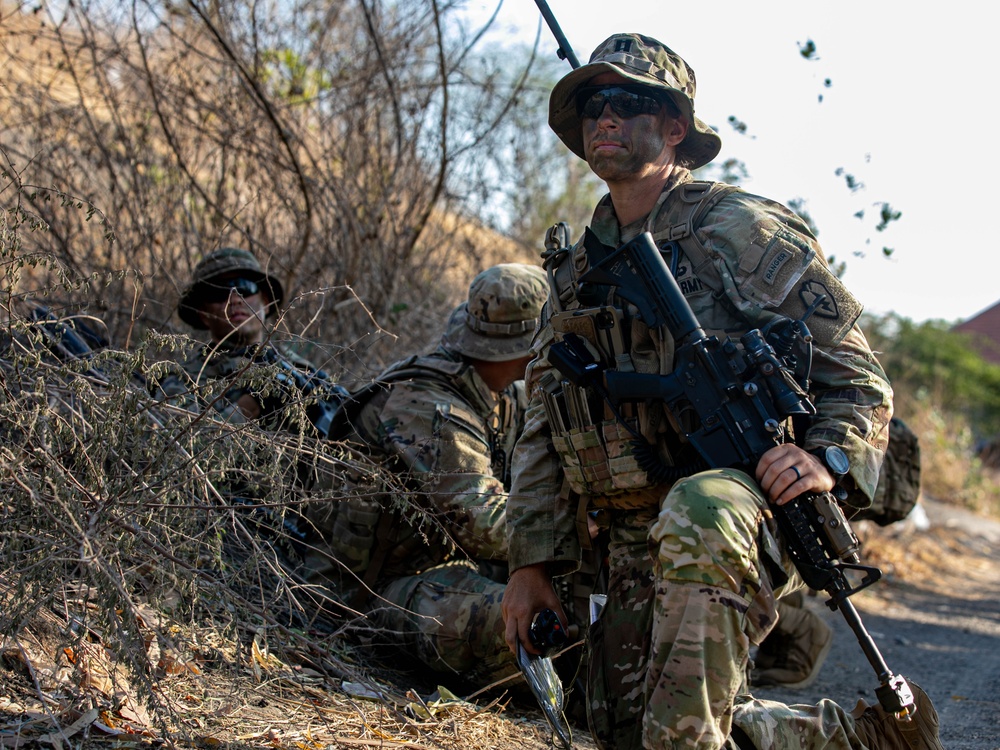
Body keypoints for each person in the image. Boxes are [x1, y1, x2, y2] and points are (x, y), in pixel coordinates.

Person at [501, 33, 942, 750]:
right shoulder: (576, 270)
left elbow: (858, 379)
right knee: (629, 727)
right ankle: (860, 740)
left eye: (627, 102)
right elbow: (545, 421)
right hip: (626, 538)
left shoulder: (744, 231)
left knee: (699, 511)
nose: (604, 118)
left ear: (675, 127)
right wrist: (530, 562)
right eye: (592, 106)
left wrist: (826, 459)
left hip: (740, 511)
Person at [300, 263, 600, 692]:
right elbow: (476, 519)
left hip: (441, 570)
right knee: (531, 622)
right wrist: (573, 525)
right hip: (372, 596)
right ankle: (577, 690)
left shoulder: (497, 392)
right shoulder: (428, 404)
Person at [157, 247, 346, 436]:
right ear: (203, 314)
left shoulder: (297, 366)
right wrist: (250, 406)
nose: (235, 300)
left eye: (244, 287)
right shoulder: (186, 380)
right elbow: (181, 449)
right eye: (219, 293)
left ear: (265, 300)